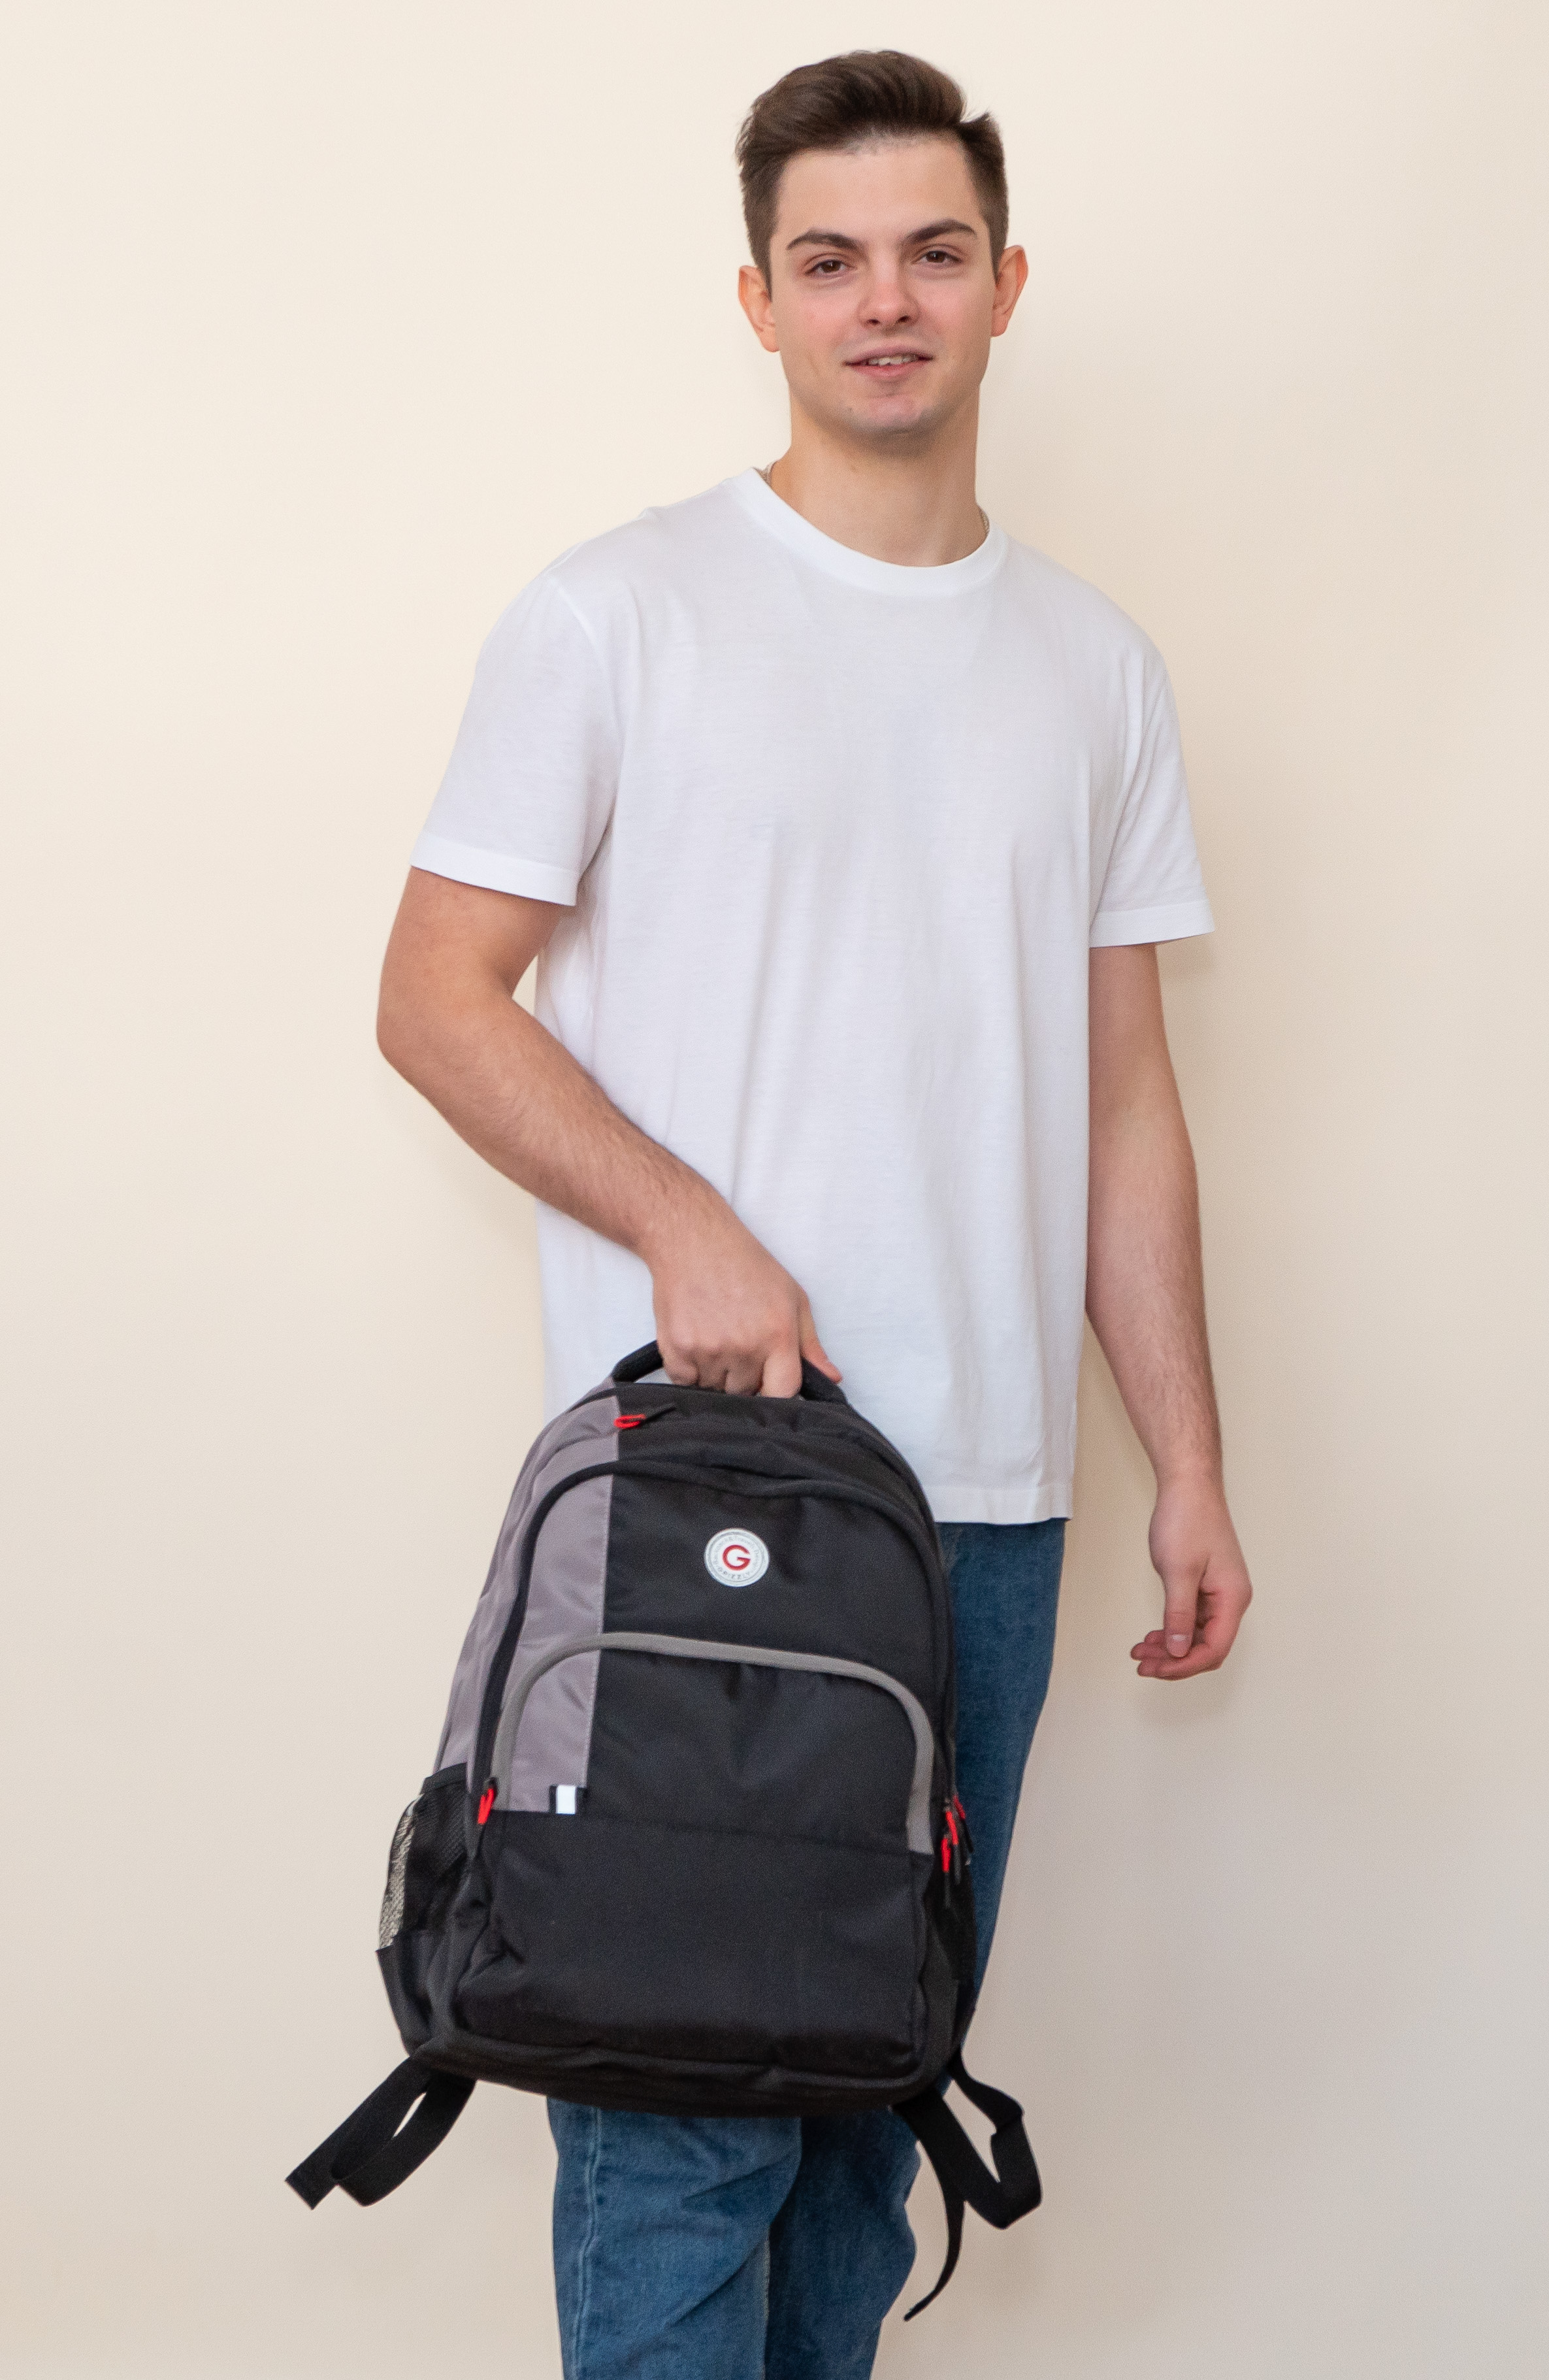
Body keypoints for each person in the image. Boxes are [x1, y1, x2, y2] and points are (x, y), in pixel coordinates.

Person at [376, 46, 1253, 2379]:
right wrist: (688, 1225)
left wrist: (1185, 1457)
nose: (886, 301)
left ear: (1005, 285)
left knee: (869, 2100)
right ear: (755, 300)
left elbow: (1125, 1102)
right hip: (700, 1496)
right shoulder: (618, 613)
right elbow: (432, 996)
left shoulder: (1095, 669)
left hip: (984, 1517)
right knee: (677, 2110)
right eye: (832, 260)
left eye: (932, 253)